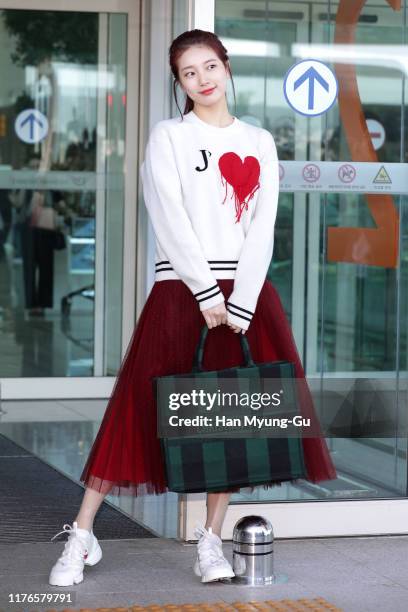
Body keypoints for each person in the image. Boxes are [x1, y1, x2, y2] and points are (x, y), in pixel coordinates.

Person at [49, 29, 337, 588]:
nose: (203, 79)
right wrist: (207, 293)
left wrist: (243, 301)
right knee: (135, 409)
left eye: (210, 66)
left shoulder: (258, 140)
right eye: (189, 72)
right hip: (182, 292)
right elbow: (169, 215)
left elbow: (262, 228)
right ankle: (82, 534)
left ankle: (211, 541)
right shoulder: (169, 137)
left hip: (246, 297)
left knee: (226, 417)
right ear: (179, 83)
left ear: (226, 68)